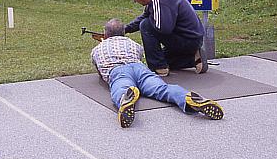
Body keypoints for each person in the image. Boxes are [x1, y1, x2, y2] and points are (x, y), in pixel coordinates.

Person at [91, 19, 223, 128]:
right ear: (123, 33)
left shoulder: (97, 49)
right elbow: (139, 54)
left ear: (106, 34)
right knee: (162, 89)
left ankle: (125, 98)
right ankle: (187, 97)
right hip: (139, 68)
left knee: (120, 87)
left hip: (118, 71)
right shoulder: (132, 44)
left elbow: (99, 69)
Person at [125, 0, 207, 77]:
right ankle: (193, 58)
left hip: (188, 39)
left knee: (145, 25)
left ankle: (159, 68)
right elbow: (144, 16)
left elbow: (164, 29)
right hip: (190, 39)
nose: (134, 1)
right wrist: (124, 29)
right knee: (162, 58)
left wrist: (150, 19)